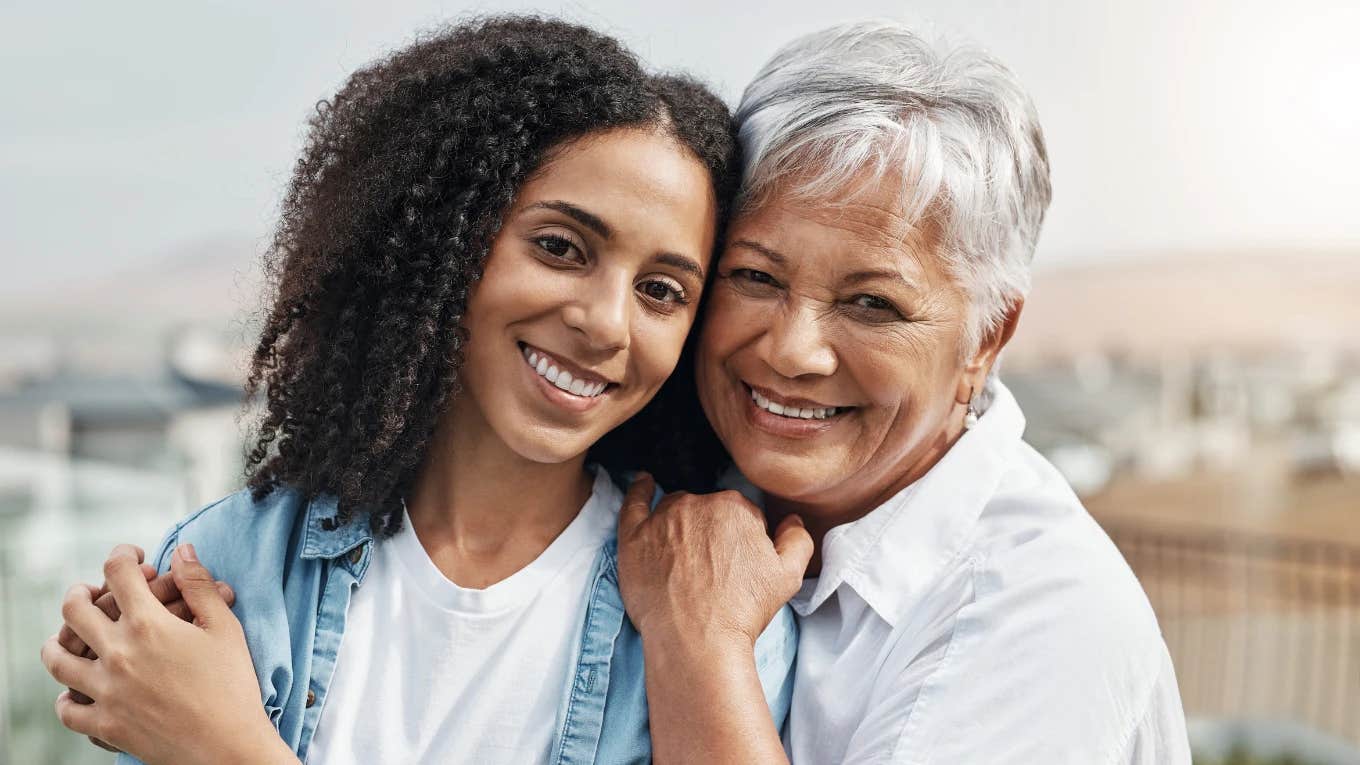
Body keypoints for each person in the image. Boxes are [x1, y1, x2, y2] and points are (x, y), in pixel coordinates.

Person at [39, 15, 798, 765]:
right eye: (560, 247)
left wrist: (229, 748)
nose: (607, 324)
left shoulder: (706, 609)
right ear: (447, 238)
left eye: (662, 290)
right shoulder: (236, 563)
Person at [614, 21, 1193, 764]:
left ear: (985, 338)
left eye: (871, 303)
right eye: (755, 276)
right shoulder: (671, 481)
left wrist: (701, 643)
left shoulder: (1043, 616)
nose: (792, 350)